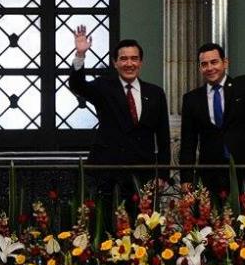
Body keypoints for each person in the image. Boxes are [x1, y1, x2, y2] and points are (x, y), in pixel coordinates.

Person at [179, 33, 245, 181]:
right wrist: (186, 178)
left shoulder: (243, 86)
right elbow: (188, 142)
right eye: (204, 64)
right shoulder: (192, 99)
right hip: (212, 173)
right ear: (200, 68)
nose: (209, 68)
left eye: (214, 62)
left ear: (225, 63)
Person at [68, 25, 170, 167]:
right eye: (123, 59)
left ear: (141, 62)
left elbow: (163, 137)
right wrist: (80, 55)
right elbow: (77, 86)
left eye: (134, 59)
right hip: (108, 169)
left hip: (144, 168)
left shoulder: (155, 93)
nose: (129, 64)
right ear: (115, 63)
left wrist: (163, 173)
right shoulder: (103, 87)